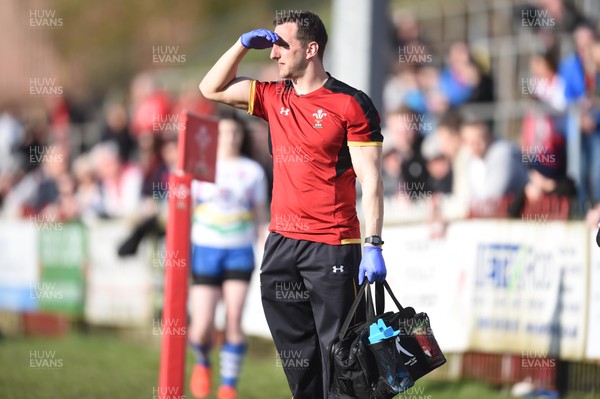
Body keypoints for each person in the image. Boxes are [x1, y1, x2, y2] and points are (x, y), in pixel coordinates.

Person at [199, 11, 387, 399]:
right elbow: (210, 88)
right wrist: (240, 44)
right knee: (297, 357)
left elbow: (371, 179)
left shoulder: (351, 104)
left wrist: (373, 245)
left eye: (281, 45)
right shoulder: (272, 96)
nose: (273, 55)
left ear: (311, 48)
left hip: (332, 245)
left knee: (342, 356)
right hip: (281, 245)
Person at [187, 113, 267, 399]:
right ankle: (203, 362)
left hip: (239, 251)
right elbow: (184, 212)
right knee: (201, 327)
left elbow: (260, 217)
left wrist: (263, 246)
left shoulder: (253, 171)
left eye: (235, 133)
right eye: (224, 132)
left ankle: (228, 386)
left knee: (234, 319)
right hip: (206, 251)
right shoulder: (199, 168)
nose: (230, 138)